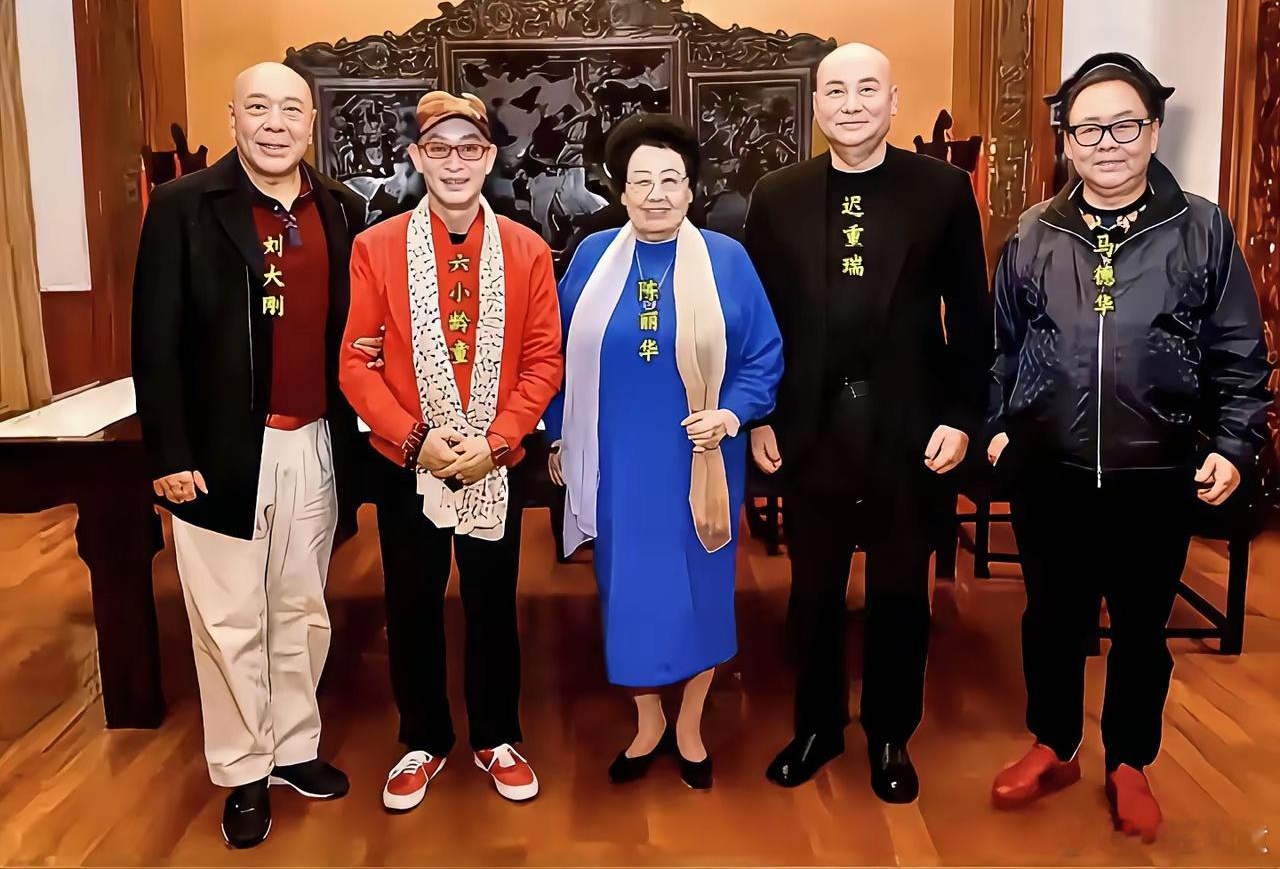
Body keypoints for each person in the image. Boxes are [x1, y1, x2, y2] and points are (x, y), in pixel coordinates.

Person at [987, 52, 1271, 842]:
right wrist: (999, 425)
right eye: (1088, 129)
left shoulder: (1201, 228)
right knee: (1050, 619)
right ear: (1065, 140)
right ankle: (1055, 744)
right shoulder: (1034, 232)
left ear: (1153, 131)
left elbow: (1240, 350)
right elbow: (1000, 346)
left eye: (1123, 125)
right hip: (1050, 468)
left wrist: (1236, 443)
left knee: (1143, 628)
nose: (1105, 143)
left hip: (1157, 467)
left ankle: (1129, 761)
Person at [743, 43, 990, 802]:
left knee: (900, 592)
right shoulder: (777, 194)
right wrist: (760, 415)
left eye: (867, 89)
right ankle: (817, 727)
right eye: (836, 91)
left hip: (910, 427)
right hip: (808, 424)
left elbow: (970, 314)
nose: (851, 104)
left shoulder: (942, 190)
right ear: (816, 105)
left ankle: (890, 734)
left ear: (893, 99)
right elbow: (756, 322)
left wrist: (963, 415)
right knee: (813, 590)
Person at [132, 62, 369, 848]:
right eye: (258, 108)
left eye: (290, 109)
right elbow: (154, 342)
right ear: (232, 117)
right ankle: (243, 769)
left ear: (312, 123)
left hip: (315, 439)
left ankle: (295, 748)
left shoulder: (339, 207)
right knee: (229, 618)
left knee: (301, 608)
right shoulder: (184, 206)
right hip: (220, 450)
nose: (275, 124)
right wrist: (169, 451)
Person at [544, 113, 783, 790]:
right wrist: (559, 432)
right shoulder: (592, 257)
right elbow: (556, 355)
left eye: (670, 180)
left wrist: (733, 413)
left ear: (691, 190)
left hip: (701, 457)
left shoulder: (727, 259)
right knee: (629, 592)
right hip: (617, 462)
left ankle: (691, 726)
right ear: (620, 191)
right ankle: (648, 721)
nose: (656, 194)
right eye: (641, 181)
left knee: (700, 589)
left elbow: (764, 354)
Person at [339, 91, 562, 812]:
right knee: (411, 602)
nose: (456, 163)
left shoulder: (526, 249)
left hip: (495, 459)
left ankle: (496, 736)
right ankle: (423, 739)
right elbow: (356, 363)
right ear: (417, 158)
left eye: (470, 148)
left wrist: (498, 441)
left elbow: (544, 361)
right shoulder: (377, 247)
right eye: (439, 148)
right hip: (408, 459)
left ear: (490, 158)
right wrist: (415, 441)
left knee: (494, 602)